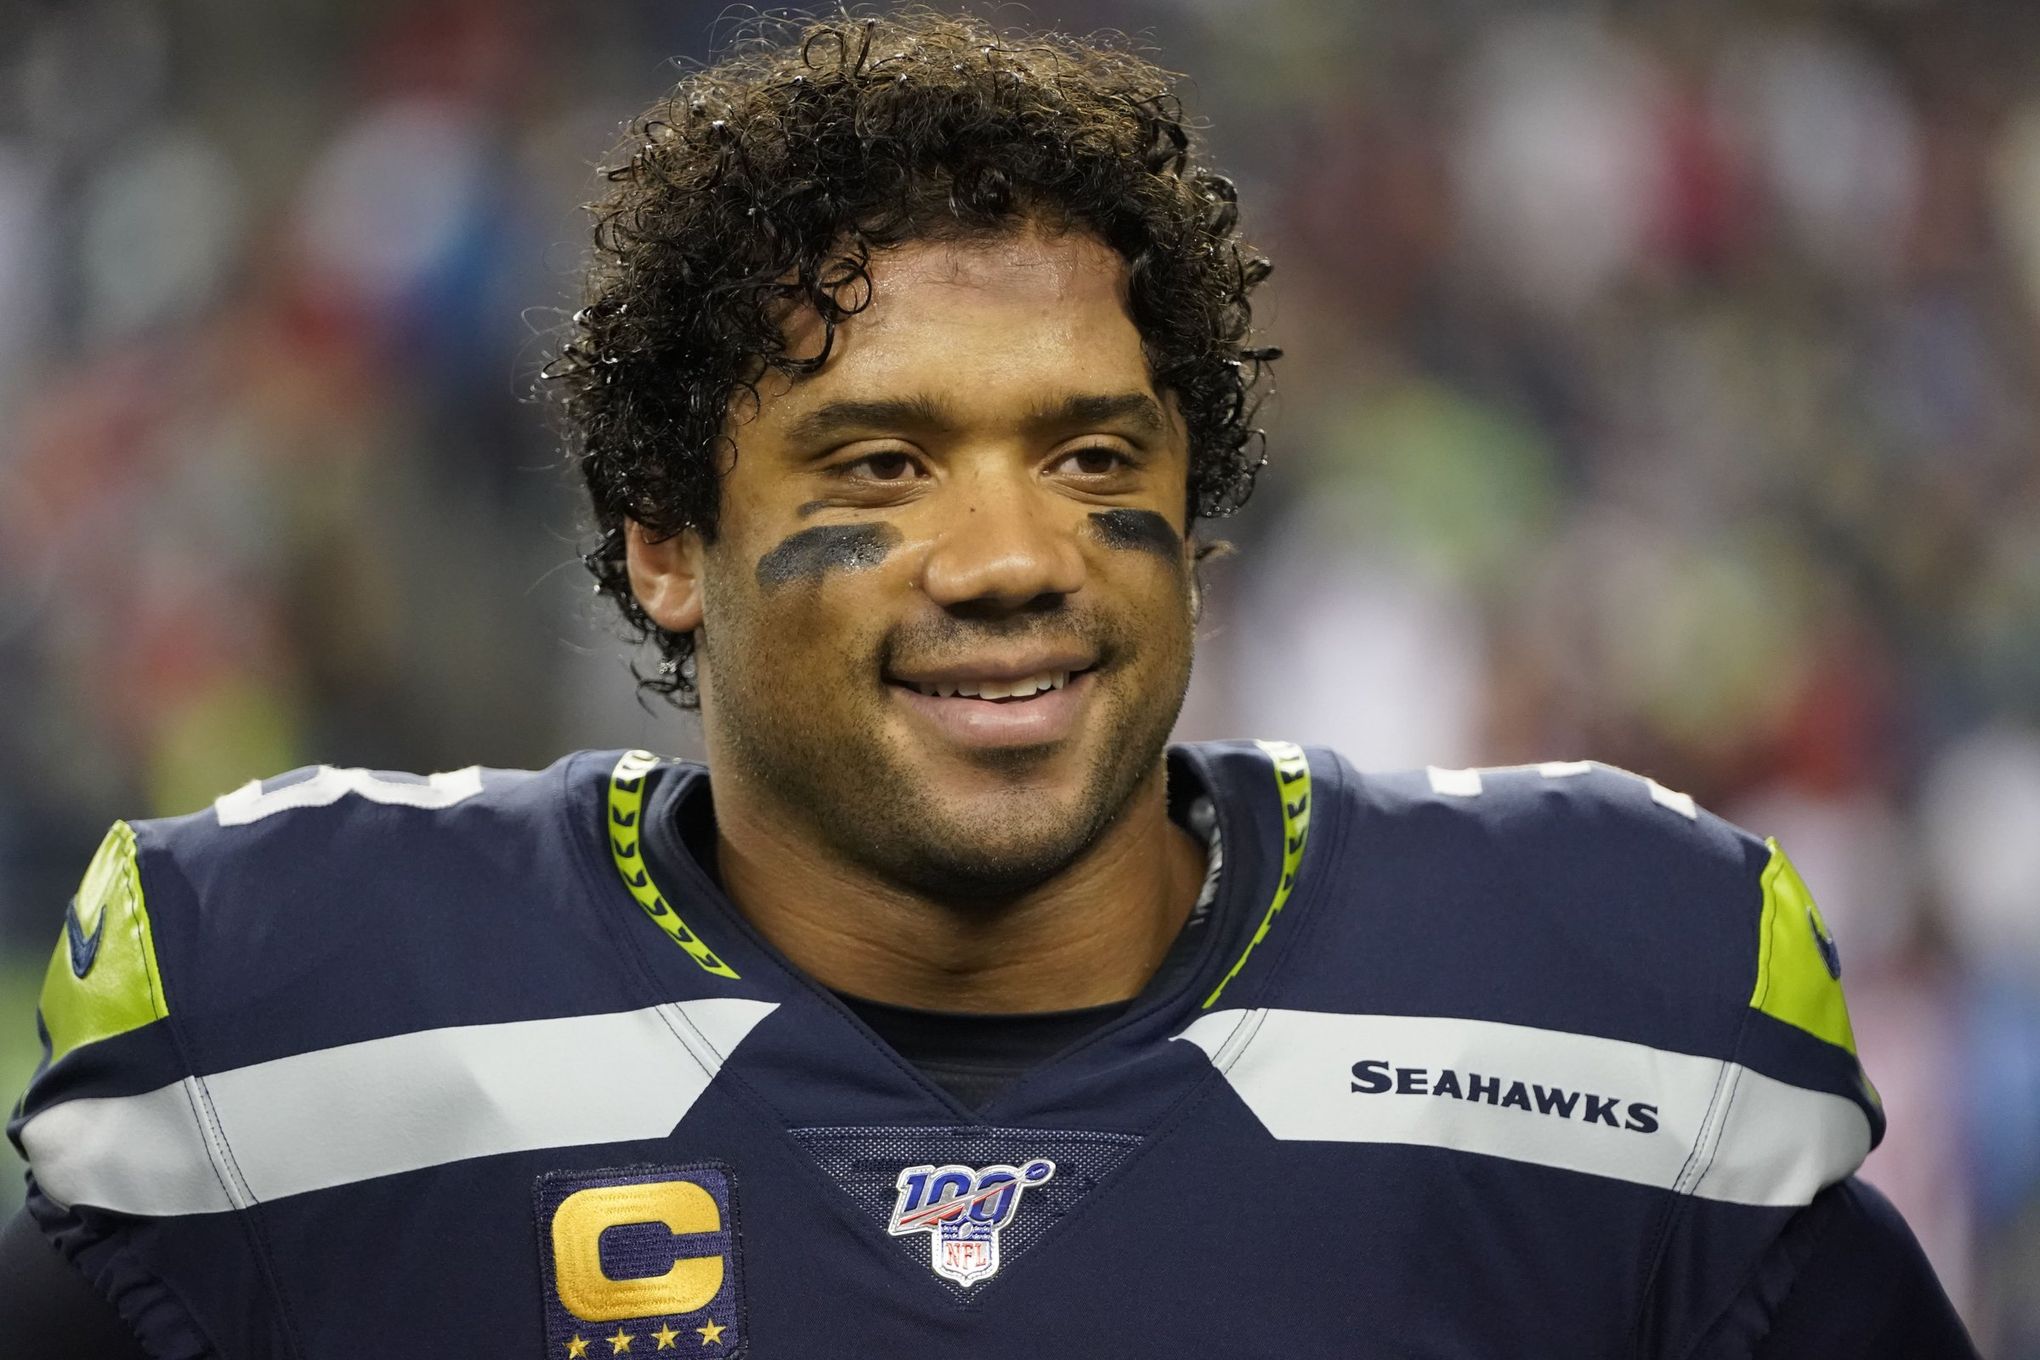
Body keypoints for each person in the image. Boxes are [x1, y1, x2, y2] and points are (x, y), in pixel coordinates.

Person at [2, 11, 1978, 1358]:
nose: (1016, 552)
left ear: (1198, 518)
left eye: (1096, 456)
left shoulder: (1601, 1020)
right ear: (662, 541)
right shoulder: (300, 1042)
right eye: (880, 464)